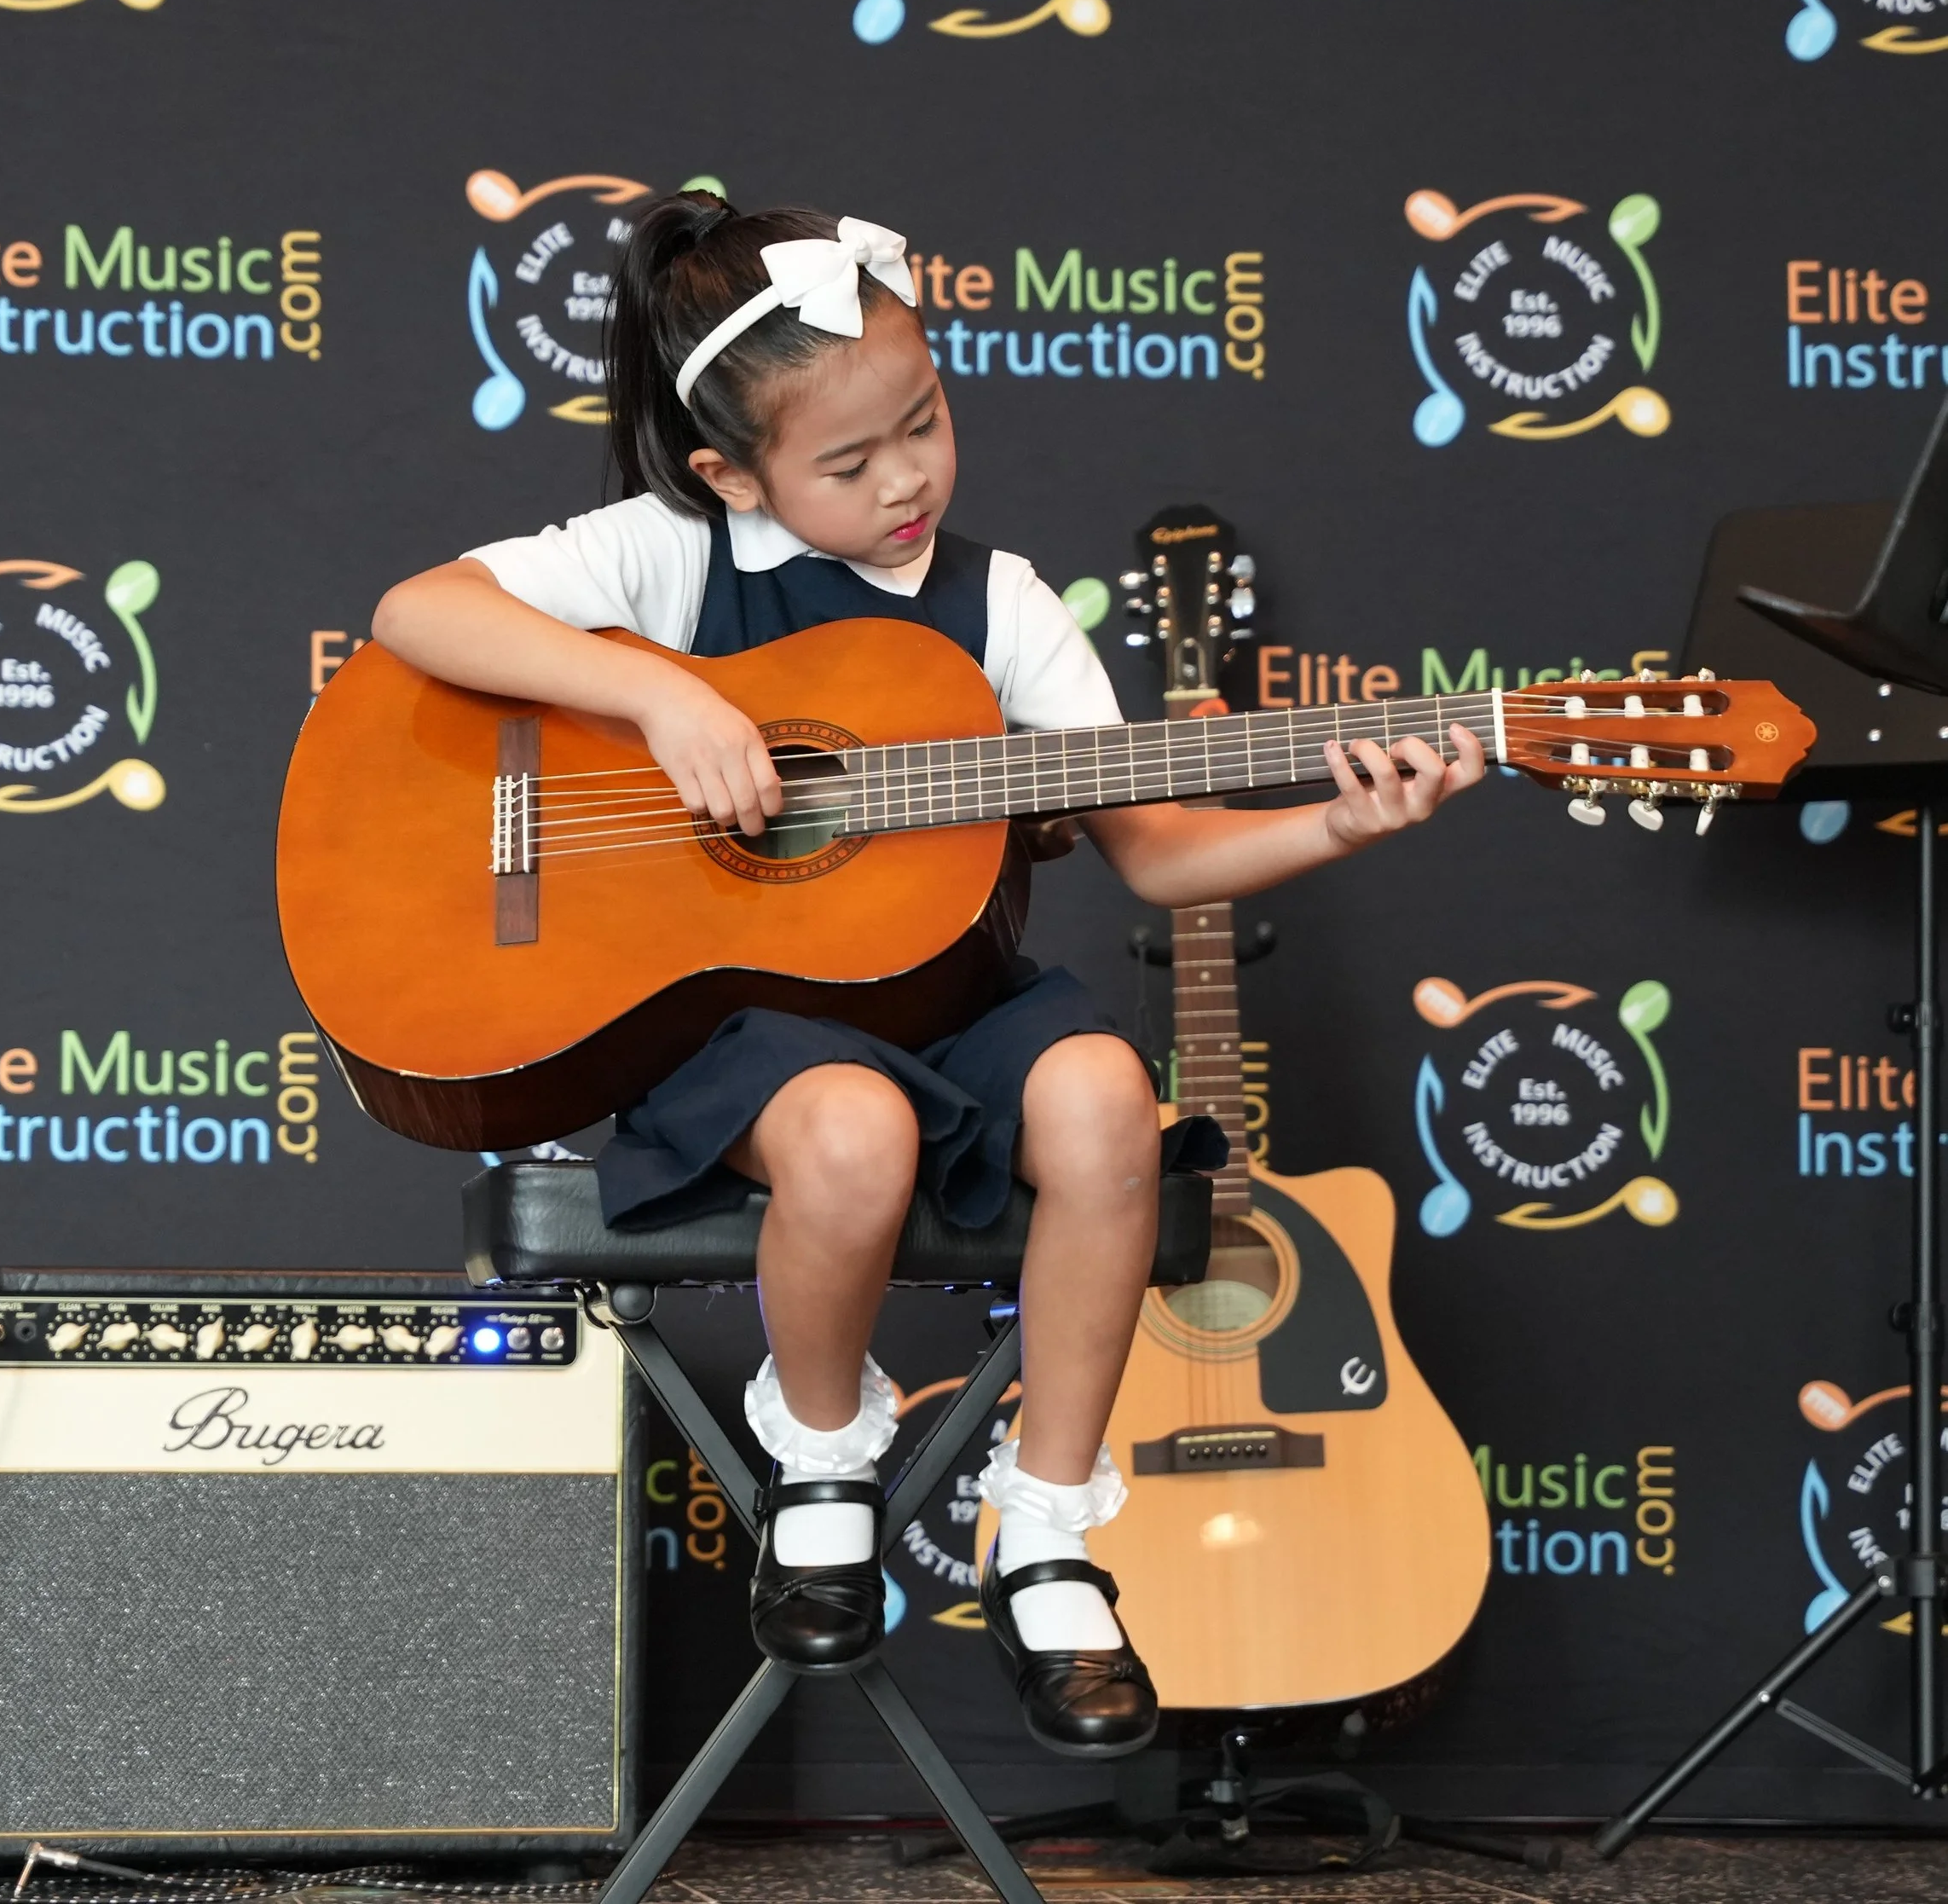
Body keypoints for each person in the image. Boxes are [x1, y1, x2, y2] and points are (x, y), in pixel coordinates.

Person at [373, 192, 1485, 1758]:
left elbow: (1154, 851)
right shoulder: (674, 556)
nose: (907, 480)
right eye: (849, 461)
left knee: (1107, 1093)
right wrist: (657, 698)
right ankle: (825, 1452)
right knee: (853, 1131)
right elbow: (418, 612)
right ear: (731, 475)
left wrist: (1335, 824)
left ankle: (1045, 1531)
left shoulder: (1000, 605)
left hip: (952, 1004)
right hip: (745, 1026)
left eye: (928, 422)